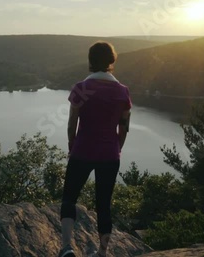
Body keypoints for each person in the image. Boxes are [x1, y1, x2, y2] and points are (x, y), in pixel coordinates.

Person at [58, 42, 132, 257]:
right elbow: (124, 127)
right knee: (104, 204)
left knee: (69, 198)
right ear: (112, 61)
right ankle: (102, 253)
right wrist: (117, 148)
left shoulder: (82, 88)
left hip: (82, 151)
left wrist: (72, 145)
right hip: (109, 154)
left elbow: (72, 123)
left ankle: (66, 248)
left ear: (90, 61)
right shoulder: (122, 91)